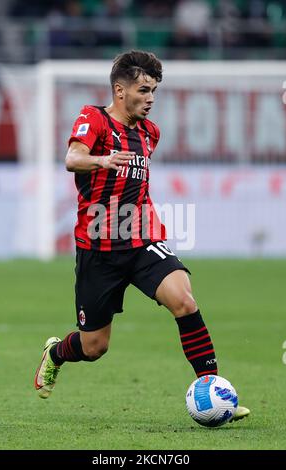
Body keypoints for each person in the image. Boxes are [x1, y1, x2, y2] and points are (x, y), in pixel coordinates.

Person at [34, 50, 249, 422]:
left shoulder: (150, 133)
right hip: (98, 248)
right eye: (144, 90)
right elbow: (72, 158)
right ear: (120, 90)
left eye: (154, 91)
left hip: (142, 238)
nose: (150, 99)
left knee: (183, 300)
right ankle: (55, 354)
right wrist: (101, 160)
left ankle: (214, 389)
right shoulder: (94, 119)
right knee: (94, 346)